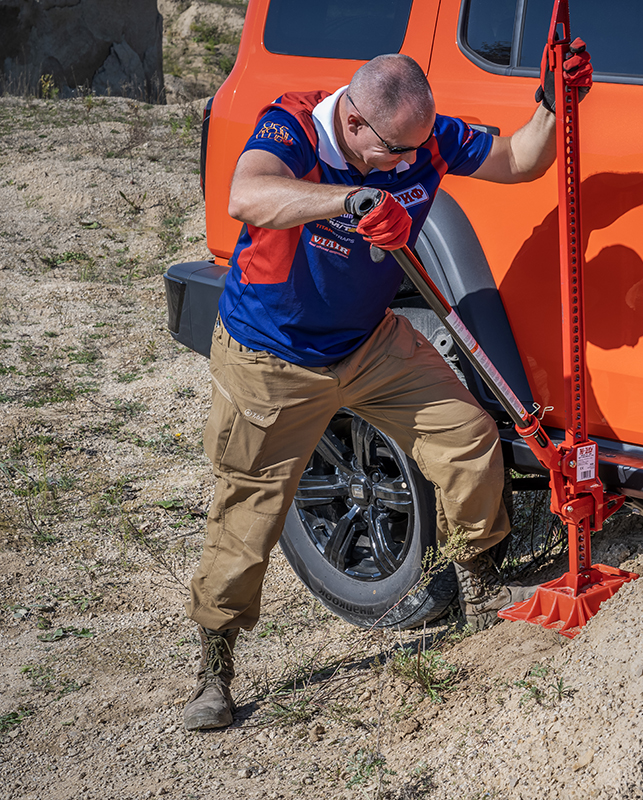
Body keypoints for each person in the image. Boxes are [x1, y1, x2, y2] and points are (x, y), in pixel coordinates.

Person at [181, 43, 593, 732]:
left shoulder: (423, 142)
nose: (409, 163)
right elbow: (245, 192)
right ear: (355, 126)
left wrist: (553, 105)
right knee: (245, 514)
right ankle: (214, 668)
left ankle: (478, 574)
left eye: (416, 149)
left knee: (466, 436)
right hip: (271, 357)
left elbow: (520, 161)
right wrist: (350, 197)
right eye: (393, 152)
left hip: (367, 343)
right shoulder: (295, 128)